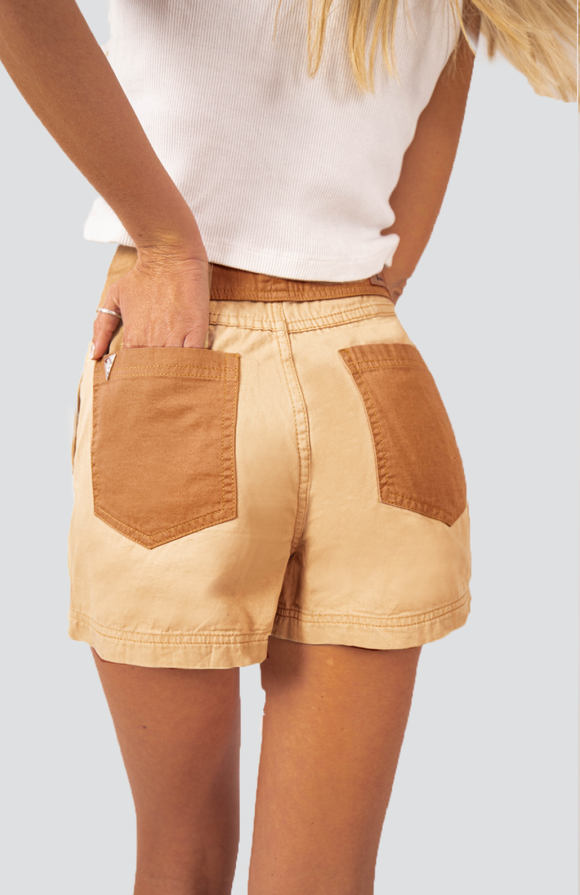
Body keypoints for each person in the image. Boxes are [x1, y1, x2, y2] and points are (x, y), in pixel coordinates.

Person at [0, 1, 574, 893]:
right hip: (371, 372)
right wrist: (356, 298)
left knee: (179, 860)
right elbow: (438, 111)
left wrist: (166, 243)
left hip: (183, 352)